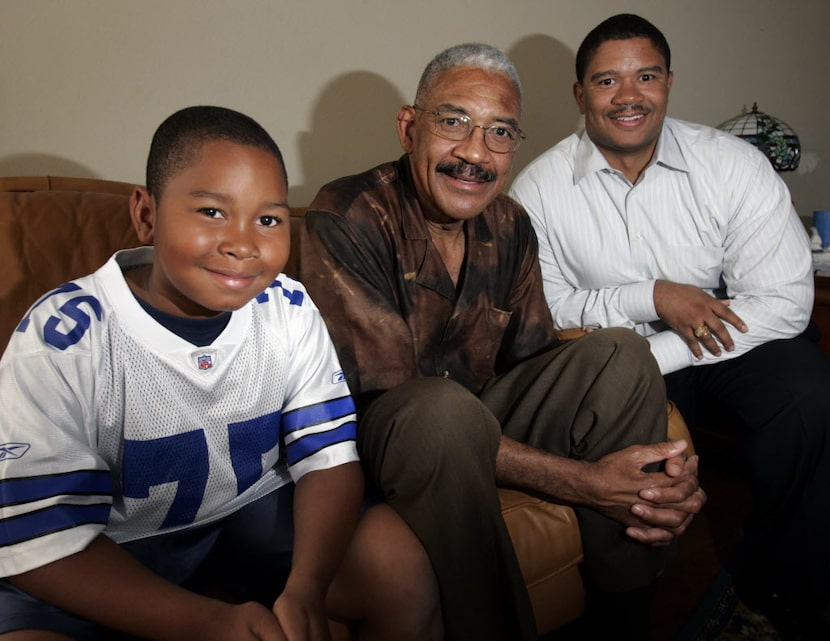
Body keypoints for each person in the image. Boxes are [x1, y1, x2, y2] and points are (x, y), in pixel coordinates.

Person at [300, 43, 705, 641]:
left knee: (623, 352)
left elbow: (532, 356)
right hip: (387, 436)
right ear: (410, 126)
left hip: (476, 418)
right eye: (453, 121)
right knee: (438, 409)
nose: (474, 153)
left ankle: (624, 618)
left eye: (500, 133)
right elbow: (386, 400)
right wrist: (588, 483)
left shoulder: (510, 223)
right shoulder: (349, 213)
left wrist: (658, 477)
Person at [0, 106, 441, 641]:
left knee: (394, 560)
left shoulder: (288, 307)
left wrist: (307, 585)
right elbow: (39, 540)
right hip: (109, 551)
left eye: (269, 219)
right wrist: (209, 622)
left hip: (245, 520)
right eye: (212, 212)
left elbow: (327, 461)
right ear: (147, 214)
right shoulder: (65, 337)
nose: (243, 243)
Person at [510, 13, 830, 640]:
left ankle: (787, 575)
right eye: (606, 81)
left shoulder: (733, 165)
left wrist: (665, 348)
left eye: (645, 76)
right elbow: (544, 310)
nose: (628, 96)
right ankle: (631, 604)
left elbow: (786, 302)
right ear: (580, 95)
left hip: (730, 336)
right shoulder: (539, 190)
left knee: (809, 398)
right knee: (633, 432)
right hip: (617, 352)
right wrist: (650, 295)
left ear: (668, 83)